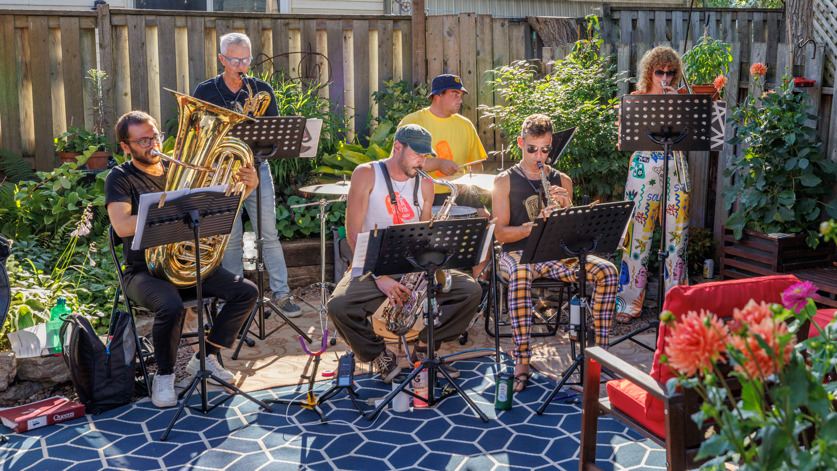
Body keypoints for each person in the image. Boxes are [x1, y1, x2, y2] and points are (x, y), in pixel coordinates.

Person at [105, 111, 260, 408]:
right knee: (171, 304)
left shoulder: (179, 168)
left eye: (155, 136)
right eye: (142, 141)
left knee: (246, 292)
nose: (152, 145)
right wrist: (167, 214)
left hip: (186, 264)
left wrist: (248, 185)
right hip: (143, 271)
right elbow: (122, 225)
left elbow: (219, 206)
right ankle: (164, 375)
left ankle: (207, 357)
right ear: (126, 146)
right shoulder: (120, 177)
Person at [327, 124, 482, 383]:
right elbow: (353, 233)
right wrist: (378, 275)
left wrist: (428, 269)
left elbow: (425, 234)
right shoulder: (366, 173)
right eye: (416, 154)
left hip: (413, 262)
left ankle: (425, 346)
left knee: (470, 291)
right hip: (373, 262)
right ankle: (378, 354)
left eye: (425, 155)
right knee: (338, 306)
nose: (422, 161)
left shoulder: (425, 183)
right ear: (397, 147)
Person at [493, 114, 618, 392]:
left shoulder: (562, 179)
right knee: (523, 271)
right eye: (532, 149)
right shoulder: (504, 181)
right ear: (520, 143)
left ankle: (601, 353)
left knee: (606, 270)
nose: (540, 156)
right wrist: (535, 226)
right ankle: (522, 360)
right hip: (519, 253)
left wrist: (567, 208)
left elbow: (574, 234)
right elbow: (500, 234)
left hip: (556, 254)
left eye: (546, 149)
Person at [192, 32, 301, 317]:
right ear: (221, 59)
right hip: (222, 173)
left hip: (255, 168)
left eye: (246, 59)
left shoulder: (260, 88)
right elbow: (197, 135)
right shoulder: (205, 91)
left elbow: (274, 134)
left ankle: (281, 294)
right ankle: (236, 298)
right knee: (230, 236)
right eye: (235, 60)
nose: (242, 65)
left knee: (270, 234)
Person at [614, 46, 690, 324]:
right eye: (660, 72)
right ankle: (628, 302)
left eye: (671, 73)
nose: (665, 78)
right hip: (644, 167)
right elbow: (622, 142)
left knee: (677, 236)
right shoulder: (635, 99)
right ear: (649, 72)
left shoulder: (682, 100)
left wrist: (676, 103)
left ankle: (675, 304)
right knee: (637, 234)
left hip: (677, 166)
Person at [398, 74, 489, 212]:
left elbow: (476, 165)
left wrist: (468, 183)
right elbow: (402, 164)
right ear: (438, 95)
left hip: (459, 191)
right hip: (421, 192)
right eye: (455, 94)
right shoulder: (413, 122)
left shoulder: (466, 125)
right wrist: (439, 164)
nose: (460, 100)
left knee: (484, 216)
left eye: (461, 96)